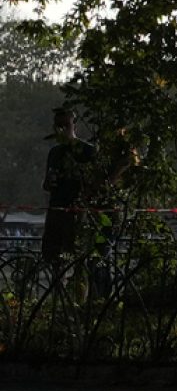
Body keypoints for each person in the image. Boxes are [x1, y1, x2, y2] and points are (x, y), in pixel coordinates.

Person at [41, 104, 95, 272]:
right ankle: (58, 285)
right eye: (58, 126)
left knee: (77, 257)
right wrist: (49, 182)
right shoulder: (54, 152)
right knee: (52, 256)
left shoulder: (87, 151)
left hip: (76, 211)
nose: (62, 129)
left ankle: (79, 286)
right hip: (56, 209)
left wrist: (83, 202)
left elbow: (96, 183)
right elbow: (46, 185)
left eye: (66, 125)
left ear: (74, 126)